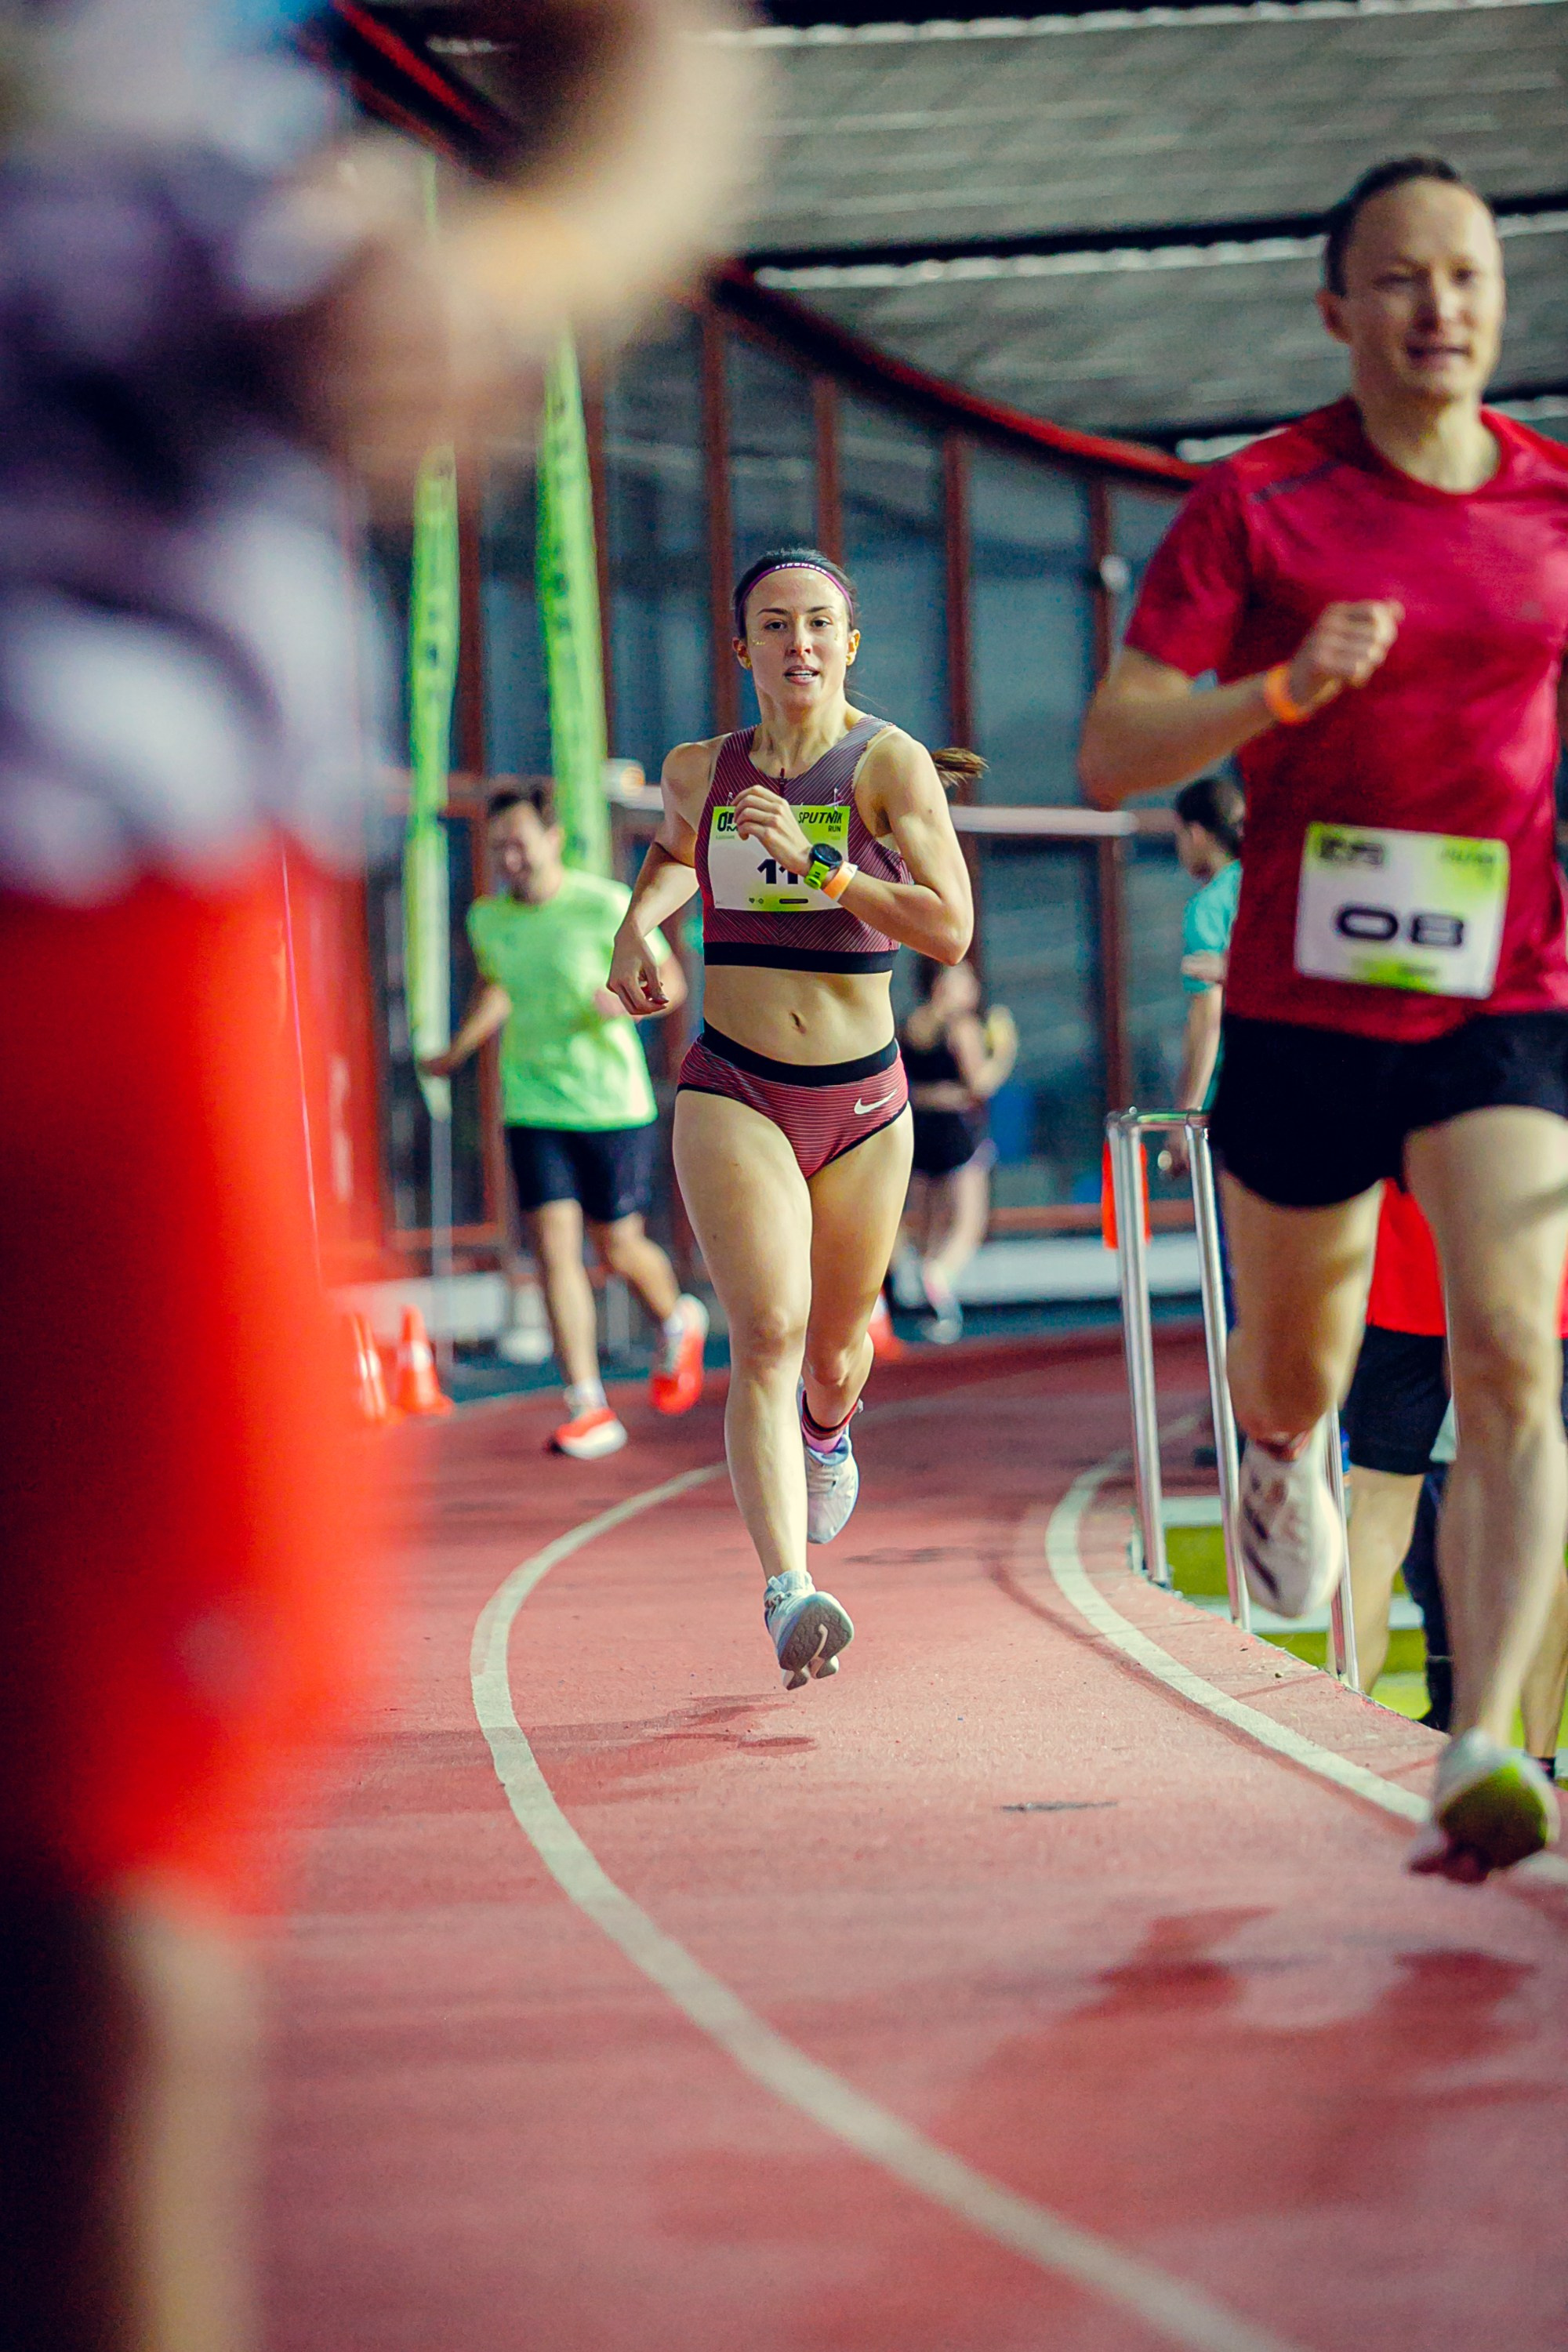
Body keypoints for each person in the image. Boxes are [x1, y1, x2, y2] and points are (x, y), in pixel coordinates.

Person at [1080, 154, 1568, 1880]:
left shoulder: (1550, 507)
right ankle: (1271, 1446)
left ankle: (1487, 1737)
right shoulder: (1260, 509)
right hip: (1302, 997)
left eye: (1467, 277)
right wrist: (1282, 689)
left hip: (1503, 997)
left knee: (1515, 1354)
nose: (1441, 308)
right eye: (1401, 280)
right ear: (1336, 308)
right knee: (1300, 1361)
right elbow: (1114, 746)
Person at [607, 546, 973, 1686]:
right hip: (736, 1086)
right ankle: (789, 1590)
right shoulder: (697, 768)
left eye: (818, 624)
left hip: (864, 1102)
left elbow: (948, 927)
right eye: (775, 626)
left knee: (833, 1351)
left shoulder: (888, 765)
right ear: (744, 649)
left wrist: (823, 873)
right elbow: (673, 856)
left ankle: (827, 1430)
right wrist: (640, 926)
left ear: (848, 644)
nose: (798, 644)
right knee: (763, 1330)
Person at [421, 780, 707, 1460]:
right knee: (554, 1250)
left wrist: (628, 1005)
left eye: (518, 844)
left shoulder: (606, 905)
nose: (509, 859)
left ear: (552, 839)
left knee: (616, 1249)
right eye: (498, 849)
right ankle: (587, 1402)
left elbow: (672, 988)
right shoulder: (487, 920)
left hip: (611, 1105)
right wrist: (458, 1052)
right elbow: (501, 985)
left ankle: (676, 1318)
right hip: (533, 1104)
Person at [1342, 1183, 1568, 1769]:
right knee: (1526, 1523)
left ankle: (1337, 1729)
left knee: (1376, 1515)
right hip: (1531, 1287)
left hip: (1407, 1286)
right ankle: (1539, 1762)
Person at [900, 952, 1017, 1343]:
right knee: (968, 1222)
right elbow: (979, 1084)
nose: (972, 988)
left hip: (920, 1126)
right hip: (956, 1128)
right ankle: (940, 1274)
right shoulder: (960, 1026)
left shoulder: (911, 1025)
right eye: (962, 980)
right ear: (941, 986)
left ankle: (938, 1306)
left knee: (931, 1219)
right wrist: (1004, 1051)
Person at [1161, 773, 1244, 1183]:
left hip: (1234, 1098)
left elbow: (1206, 1019)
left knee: (1232, 1243)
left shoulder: (1209, 907)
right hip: (1296, 1084)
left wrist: (1186, 1114)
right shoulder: (1266, 885)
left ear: (1196, 834)